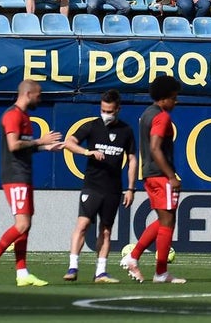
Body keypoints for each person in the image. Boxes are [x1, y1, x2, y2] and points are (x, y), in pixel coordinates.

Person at [0, 80, 64, 287]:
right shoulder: (13, 115)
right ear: (28, 93)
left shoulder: (25, 116)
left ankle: (22, 273)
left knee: (26, 226)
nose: (40, 98)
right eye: (39, 94)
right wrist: (40, 142)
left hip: (24, 175)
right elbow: (14, 145)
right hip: (14, 176)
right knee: (22, 224)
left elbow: (24, 146)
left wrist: (45, 149)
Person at [61, 90, 136, 284]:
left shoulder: (126, 131)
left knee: (106, 230)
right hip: (92, 185)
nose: (106, 114)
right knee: (83, 224)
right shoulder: (92, 126)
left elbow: (132, 159)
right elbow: (69, 143)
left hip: (113, 188)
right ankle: (73, 267)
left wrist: (130, 188)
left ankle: (100, 272)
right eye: (103, 110)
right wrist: (87, 152)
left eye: (109, 111)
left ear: (118, 109)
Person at [122, 76, 186, 283]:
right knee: (168, 221)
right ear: (164, 98)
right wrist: (171, 176)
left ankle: (134, 257)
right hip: (160, 175)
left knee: (164, 220)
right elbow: (156, 148)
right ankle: (160, 272)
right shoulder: (162, 117)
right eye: (174, 98)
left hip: (149, 174)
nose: (176, 102)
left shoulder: (147, 113)